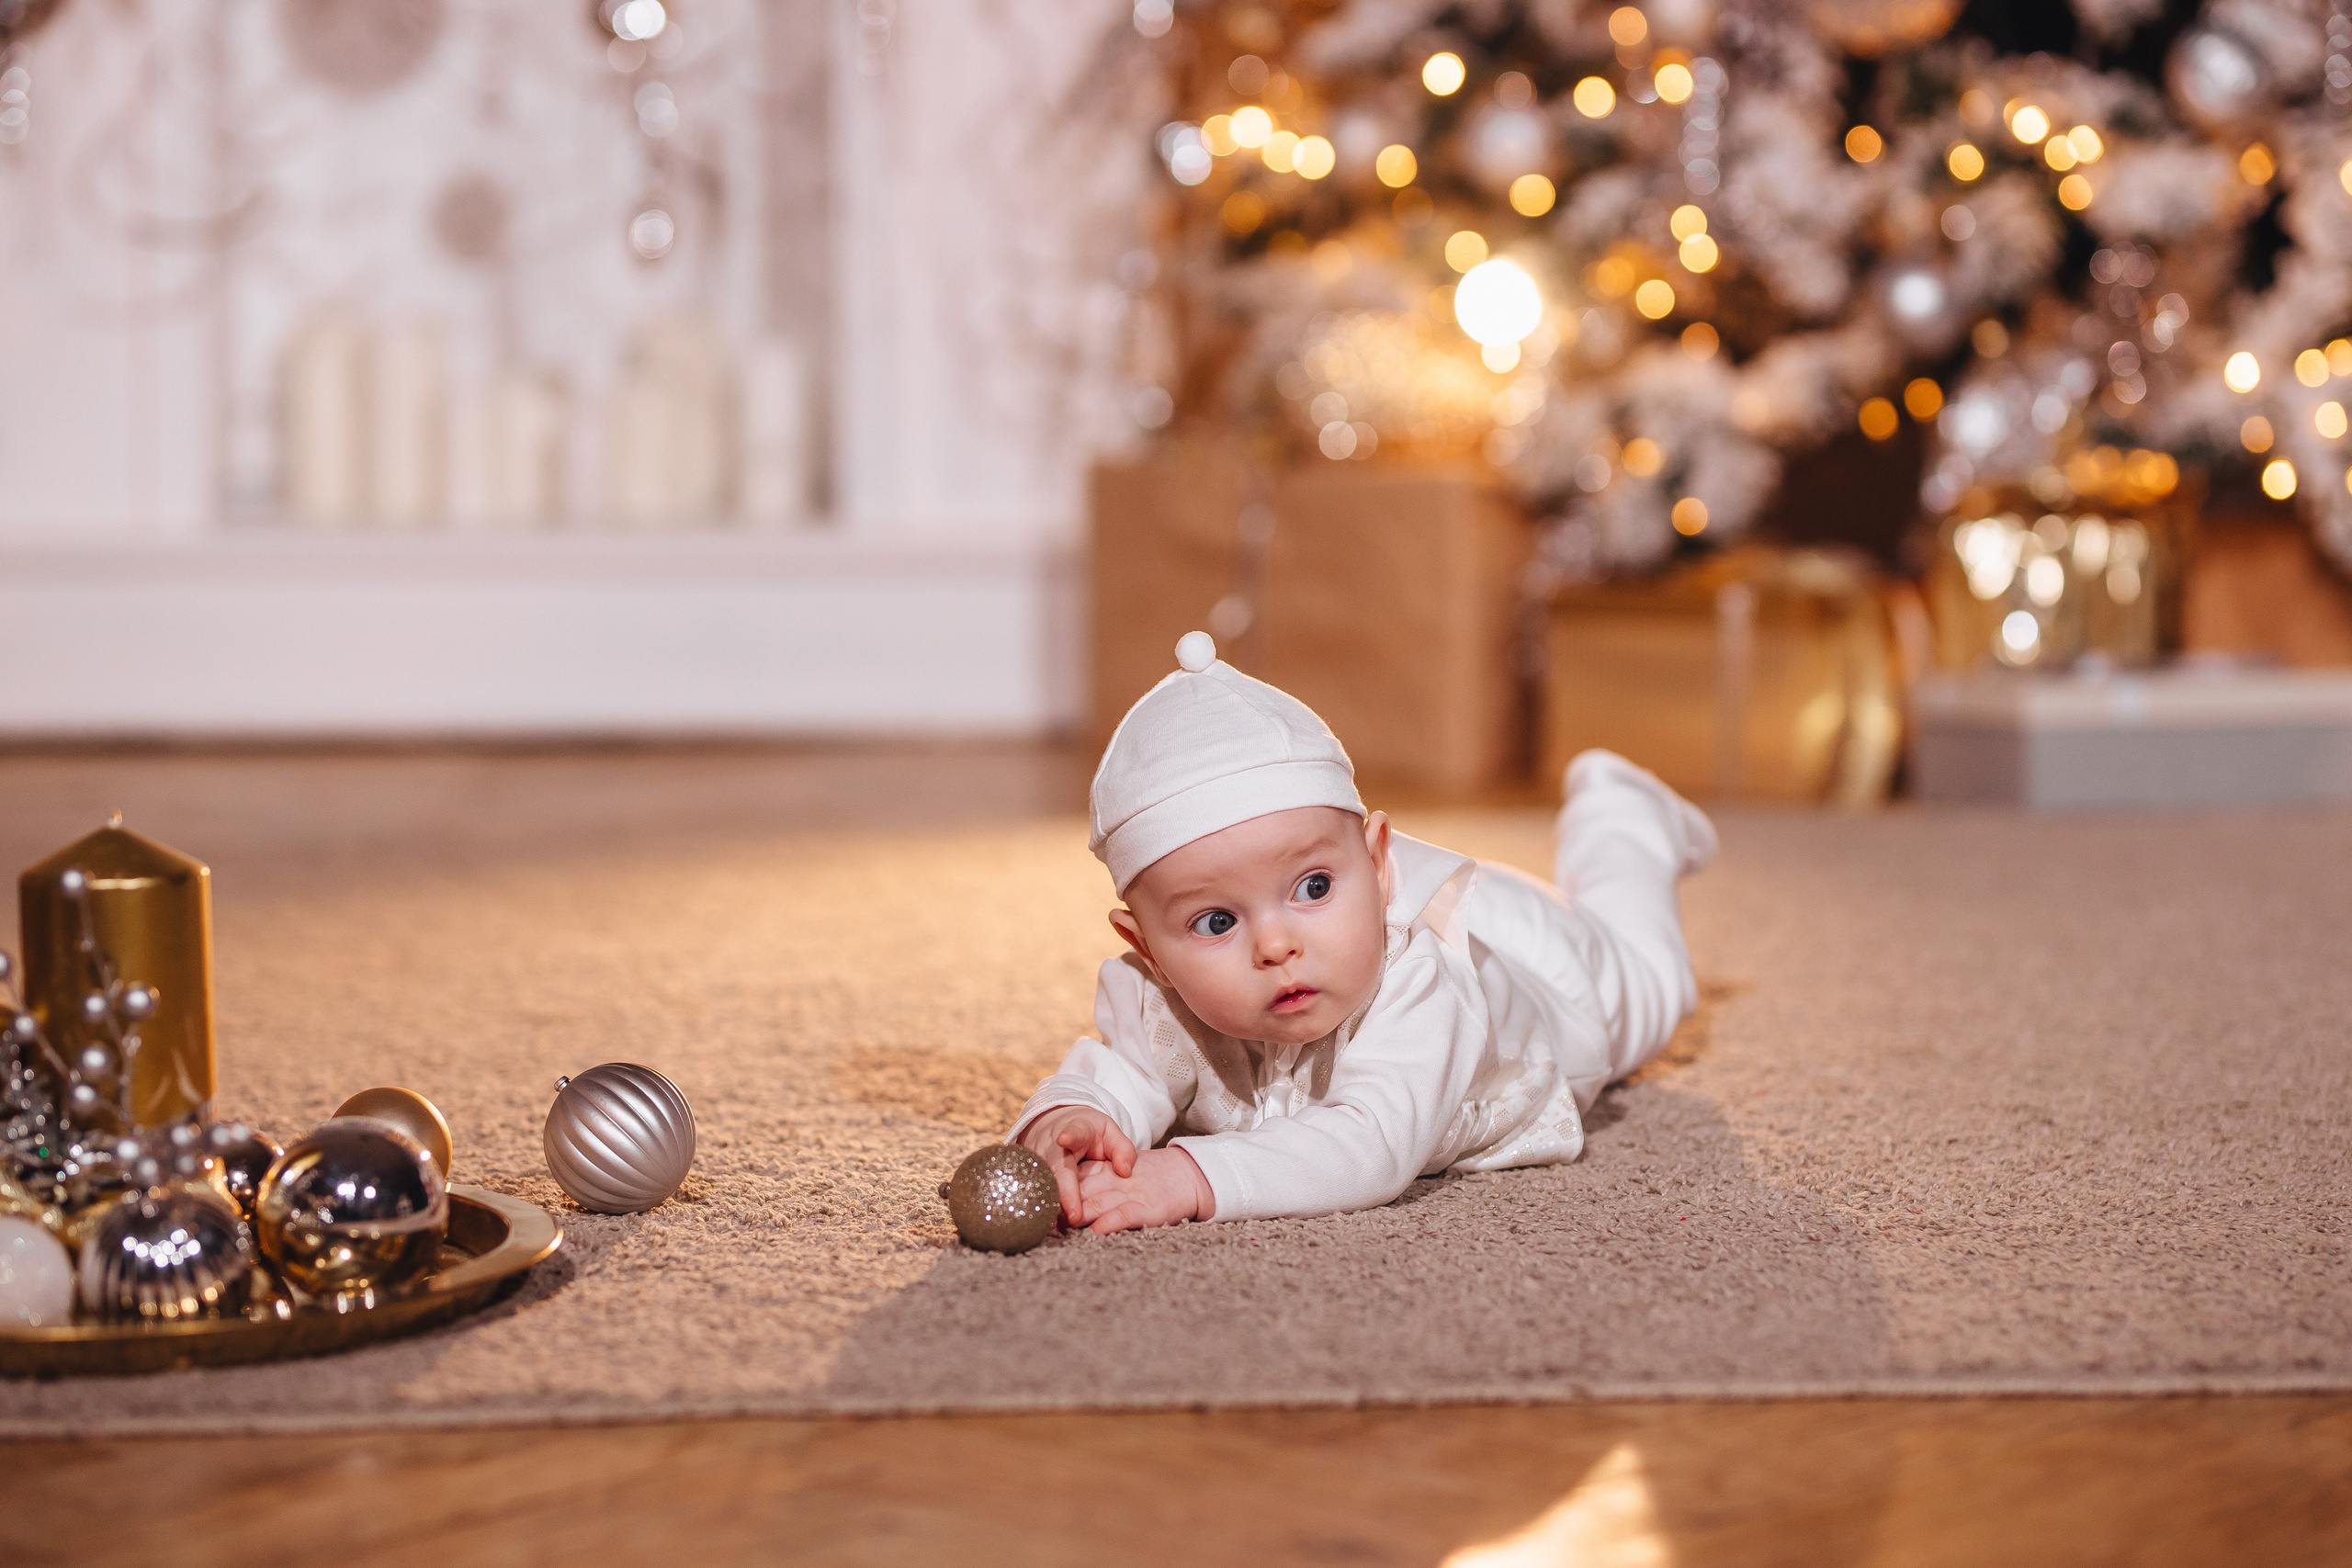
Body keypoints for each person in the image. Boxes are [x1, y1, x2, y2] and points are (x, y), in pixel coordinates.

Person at [1010, 630, 1714, 1232]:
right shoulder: (1162, 1004)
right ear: (1149, 952)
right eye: (1217, 921)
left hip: (1545, 973)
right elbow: (1125, 1073)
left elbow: (1370, 1143)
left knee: (1652, 980)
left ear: (1379, 863)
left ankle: (1625, 816)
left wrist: (1192, 1175)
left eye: (1313, 887)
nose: (1276, 945)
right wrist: (1073, 1113)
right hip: (1412, 926)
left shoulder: (1417, 987)